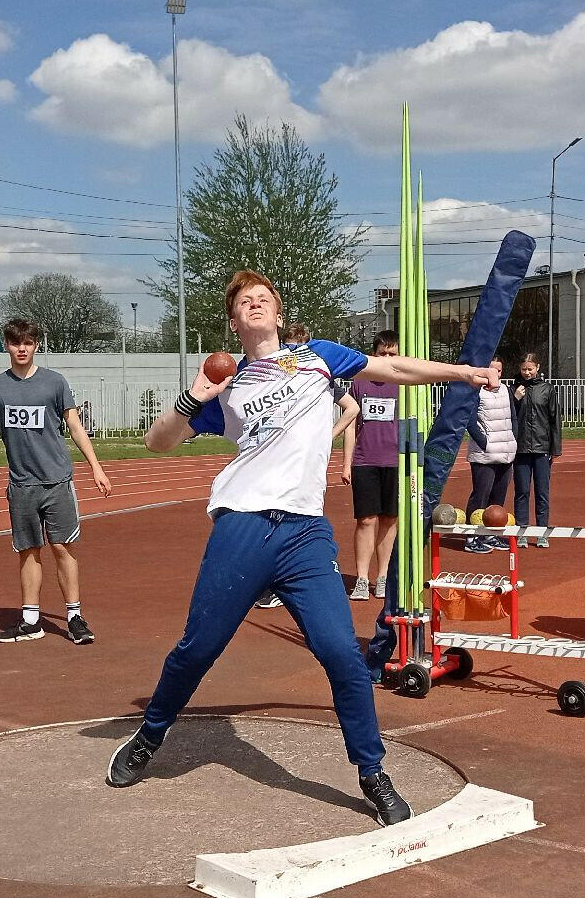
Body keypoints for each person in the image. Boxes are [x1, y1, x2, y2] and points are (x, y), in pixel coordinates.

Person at [106, 270, 500, 826]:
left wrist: (465, 372)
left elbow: (396, 368)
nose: (255, 305)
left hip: (304, 534)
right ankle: (151, 735)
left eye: (263, 298)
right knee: (198, 649)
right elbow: (156, 441)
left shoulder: (318, 357)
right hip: (241, 524)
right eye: (244, 302)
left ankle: (372, 773)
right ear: (234, 320)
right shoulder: (229, 384)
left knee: (343, 654)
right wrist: (192, 398)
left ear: (279, 311)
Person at [0, 319, 114, 643]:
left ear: (37, 344)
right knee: (27, 550)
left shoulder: (55, 383)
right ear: (6, 346)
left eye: (27, 342)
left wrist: (96, 467)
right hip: (21, 485)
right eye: (15, 343)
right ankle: (30, 621)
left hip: (56, 481)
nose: (22, 348)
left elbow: (75, 427)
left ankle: (75, 617)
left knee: (62, 548)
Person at [258, 322, 358, 609]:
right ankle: (268, 582)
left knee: (299, 518)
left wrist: (329, 435)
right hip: (276, 456)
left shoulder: (320, 376)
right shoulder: (274, 374)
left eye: (297, 349)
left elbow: (352, 408)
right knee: (268, 515)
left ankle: (293, 582)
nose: (291, 354)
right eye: (287, 348)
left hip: (306, 461)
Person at [342, 330, 400, 598]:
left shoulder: (405, 385)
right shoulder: (359, 383)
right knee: (366, 520)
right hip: (365, 461)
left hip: (395, 462)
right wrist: (346, 463)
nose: (387, 358)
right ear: (373, 355)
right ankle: (362, 579)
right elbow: (351, 425)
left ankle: (383, 576)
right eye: (382, 354)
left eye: (392, 354)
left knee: (390, 519)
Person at [464, 358, 516, 553]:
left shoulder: (506, 390)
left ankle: (491, 534)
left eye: (499, 371)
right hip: (484, 454)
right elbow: (469, 421)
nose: (496, 374)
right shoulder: (475, 392)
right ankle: (471, 537)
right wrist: (485, 442)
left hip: (506, 451)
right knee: (480, 495)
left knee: (498, 497)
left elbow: (513, 416)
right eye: (492, 370)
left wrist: (514, 438)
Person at [511, 352, 561, 548]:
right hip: (521, 448)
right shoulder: (514, 388)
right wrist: (515, 399)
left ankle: (542, 532)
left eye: (530, 369)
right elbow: (509, 416)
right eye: (524, 369)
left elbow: (554, 419)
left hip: (542, 448)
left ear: (538, 368)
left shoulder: (547, 390)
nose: (527, 372)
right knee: (522, 491)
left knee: (542, 492)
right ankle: (522, 531)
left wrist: (555, 448)